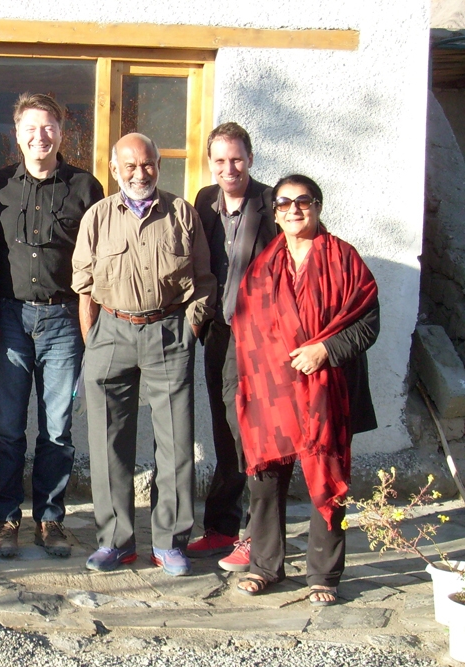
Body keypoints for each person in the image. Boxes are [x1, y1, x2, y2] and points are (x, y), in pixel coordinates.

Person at [71, 132, 215, 576]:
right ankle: (116, 542)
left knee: (175, 444)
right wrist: (93, 338)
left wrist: (190, 327)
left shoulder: (181, 213)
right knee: (108, 441)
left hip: (168, 331)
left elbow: (204, 279)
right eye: (129, 166)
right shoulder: (97, 216)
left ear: (158, 165)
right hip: (110, 332)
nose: (140, 173)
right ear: (114, 170)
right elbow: (84, 285)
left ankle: (171, 542)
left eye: (147, 164)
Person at [232, 174, 379, 606]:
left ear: (317, 206)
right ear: (274, 212)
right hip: (272, 390)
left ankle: (324, 576)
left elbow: (367, 320)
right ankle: (265, 566)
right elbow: (246, 326)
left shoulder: (344, 259)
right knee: (266, 480)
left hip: (326, 389)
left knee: (326, 477)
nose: (294, 209)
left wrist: (325, 349)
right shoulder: (263, 265)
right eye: (284, 203)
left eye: (304, 201)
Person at [0, 93, 104, 558]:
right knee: (8, 428)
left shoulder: (85, 188)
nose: (40, 136)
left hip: (64, 320)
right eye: (30, 128)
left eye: (48, 126)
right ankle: (5, 519)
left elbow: (100, 259)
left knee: (57, 429)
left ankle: (50, 520)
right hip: (11, 320)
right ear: (17, 135)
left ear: (61, 132)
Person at [187, 123, 277, 569]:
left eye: (236, 159)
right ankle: (221, 527)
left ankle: (255, 536)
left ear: (251, 159)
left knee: (253, 436)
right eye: (219, 160)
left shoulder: (275, 204)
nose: (229, 168)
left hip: (260, 340)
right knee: (224, 431)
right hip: (219, 335)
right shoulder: (205, 201)